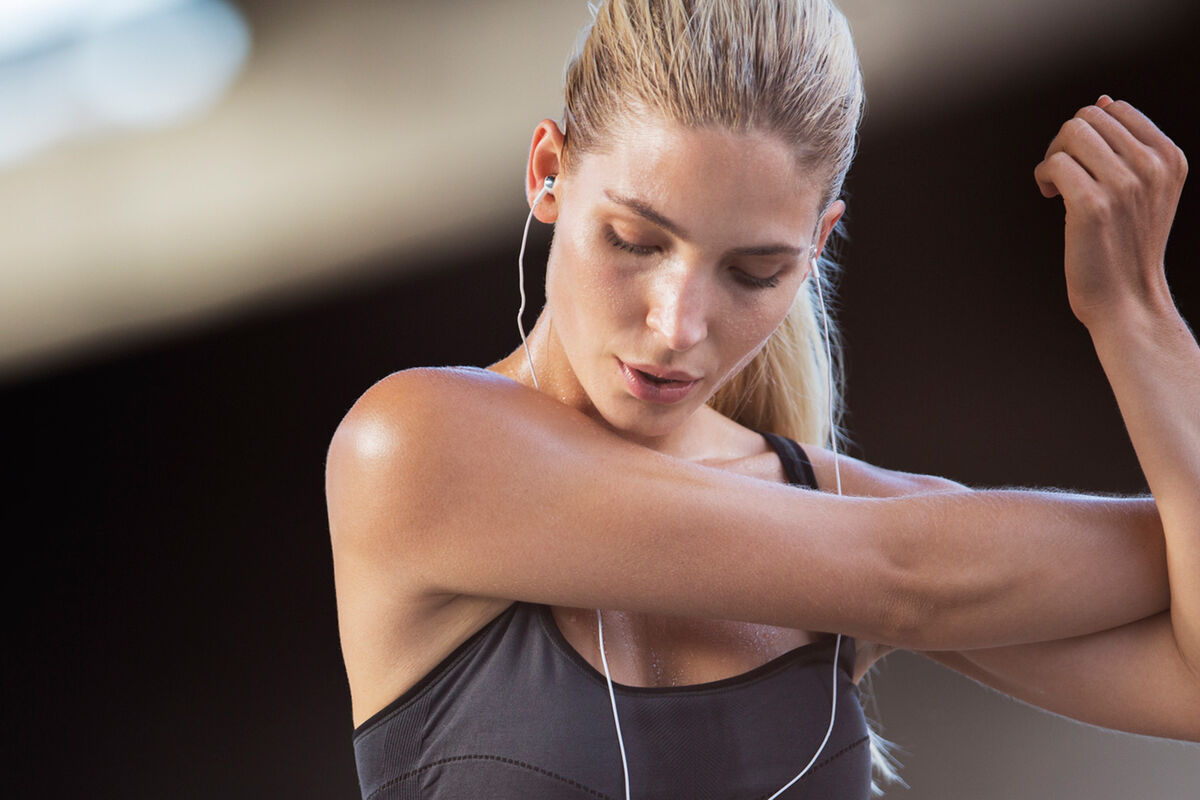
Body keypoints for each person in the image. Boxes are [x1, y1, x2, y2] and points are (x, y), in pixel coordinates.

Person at [325, 1, 1197, 797]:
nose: (677, 324)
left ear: (818, 247)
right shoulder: (412, 447)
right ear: (549, 173)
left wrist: (1138, 317)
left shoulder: (840, 519)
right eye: (633, 240)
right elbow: (909, 576)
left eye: (754, 272)